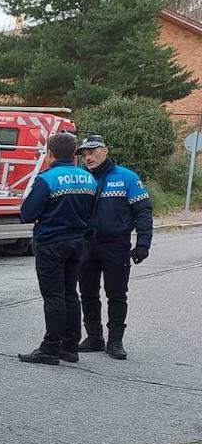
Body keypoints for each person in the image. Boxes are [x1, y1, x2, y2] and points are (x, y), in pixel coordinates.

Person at [17, 131, 97, 366]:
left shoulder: (47, 178)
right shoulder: (88, 178)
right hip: (78, 243)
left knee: (53, 296)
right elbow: (92, 214)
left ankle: (50, 347)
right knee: (70, 293)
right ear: (74, 155)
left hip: (51, 243)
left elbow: (27, 214)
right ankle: (70, 347)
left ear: (50, 154)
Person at [76, 134, 152, 360]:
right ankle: (94, 337)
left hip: (116, 246)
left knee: (117, 294)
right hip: (86, 245)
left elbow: (143, 211)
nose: (88, 157)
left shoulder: (126, 177)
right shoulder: (82, 178)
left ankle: (115, 341)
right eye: (85, 154)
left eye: (92, 152)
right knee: (88, 293)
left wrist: (143, 244)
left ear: (105, 151)